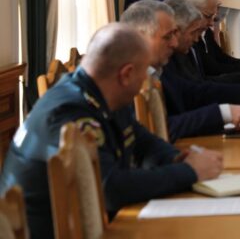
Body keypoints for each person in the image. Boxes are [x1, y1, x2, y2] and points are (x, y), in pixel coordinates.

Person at [0, 23, 223, 237]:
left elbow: (140, 139)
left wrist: (178, 158)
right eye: (144, 72)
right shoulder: (67, 113)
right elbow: (110, 189)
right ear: (126, 74)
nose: (145, 81)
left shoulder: (99, 90)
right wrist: (190, 172)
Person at [121, 0, 240, 140]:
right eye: (167, 37)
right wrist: (223, 113)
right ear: (139, 37)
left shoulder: (159, 71)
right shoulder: (127, 82)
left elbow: (195, 92)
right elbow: (159, 130)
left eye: (175, 34)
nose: (175, 43)